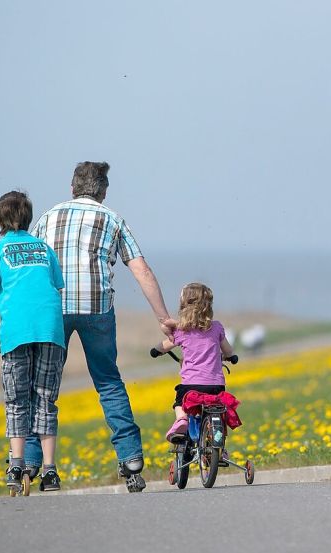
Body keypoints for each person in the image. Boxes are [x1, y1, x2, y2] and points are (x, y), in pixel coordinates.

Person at [27, 161, 176, 493]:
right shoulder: (112, 219)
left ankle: (34, 462)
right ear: (104, 191)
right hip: (97, 309)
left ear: (72, 187)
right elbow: (142, 271)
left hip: (55, 308)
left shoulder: (48, 217)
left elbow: (32, 267)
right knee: (108, 382)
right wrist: (164, 319)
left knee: (44, 387)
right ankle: (131, 459)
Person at [0, 191, 67, 493]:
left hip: (16, 334)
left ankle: (16, 464)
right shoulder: (43, 248)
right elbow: (55, 287)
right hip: (51, 330)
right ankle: (50, 471)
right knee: (45, 399)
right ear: (28, 217)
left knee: (17, 400)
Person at [148, 283, 237, 443]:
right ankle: (219, 445)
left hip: (191, 385)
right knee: (217, 410)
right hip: (216, 386)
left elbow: (164, 346)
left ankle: (181, 419)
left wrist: (156, 351)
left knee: (179, 402)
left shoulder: (182, 330)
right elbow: (228, 350)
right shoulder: (216, 328)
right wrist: (231, 356)